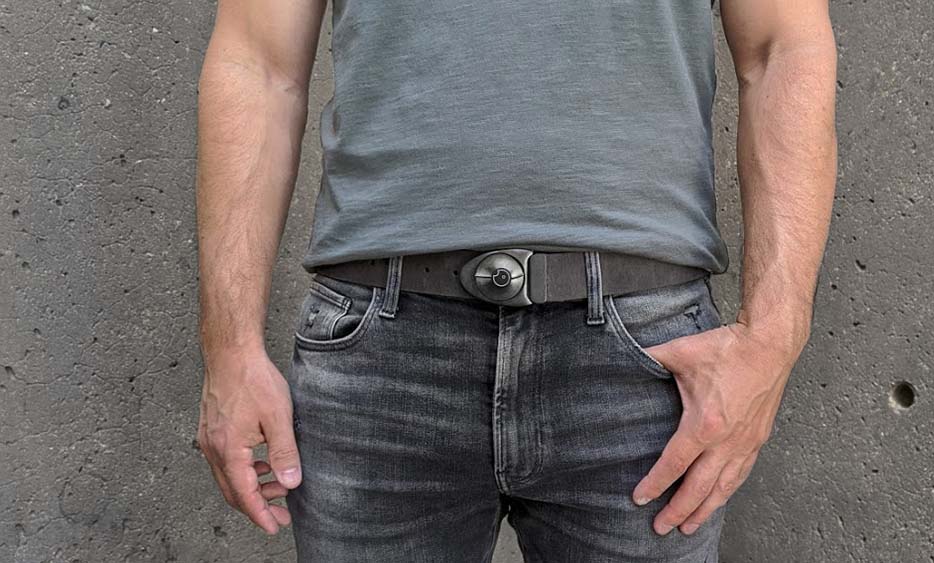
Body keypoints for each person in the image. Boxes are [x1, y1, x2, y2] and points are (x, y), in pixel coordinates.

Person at [194, 0, 837, 560]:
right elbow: (257, 65)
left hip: (646, 360)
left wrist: (773, 339)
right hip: (378, 359)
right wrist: (229, 349)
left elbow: (784, 48)